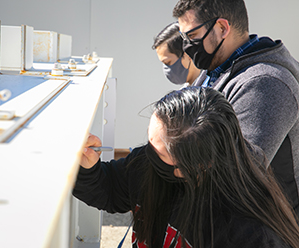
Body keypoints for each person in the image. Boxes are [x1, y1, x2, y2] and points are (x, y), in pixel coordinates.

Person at [73, 87, 299, 248]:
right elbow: (110, 189)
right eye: (150, 139)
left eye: (158, 151)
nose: (145, 153)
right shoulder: (150, 164)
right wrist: (89, 169)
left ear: (194, 166)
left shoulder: (251, 234)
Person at [173, 0, 299, 215]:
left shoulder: (266, 84)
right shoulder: (216, 68)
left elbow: (239, 175)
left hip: (266, 229)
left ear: (222, 28)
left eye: (191, 36)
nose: (186, 46)